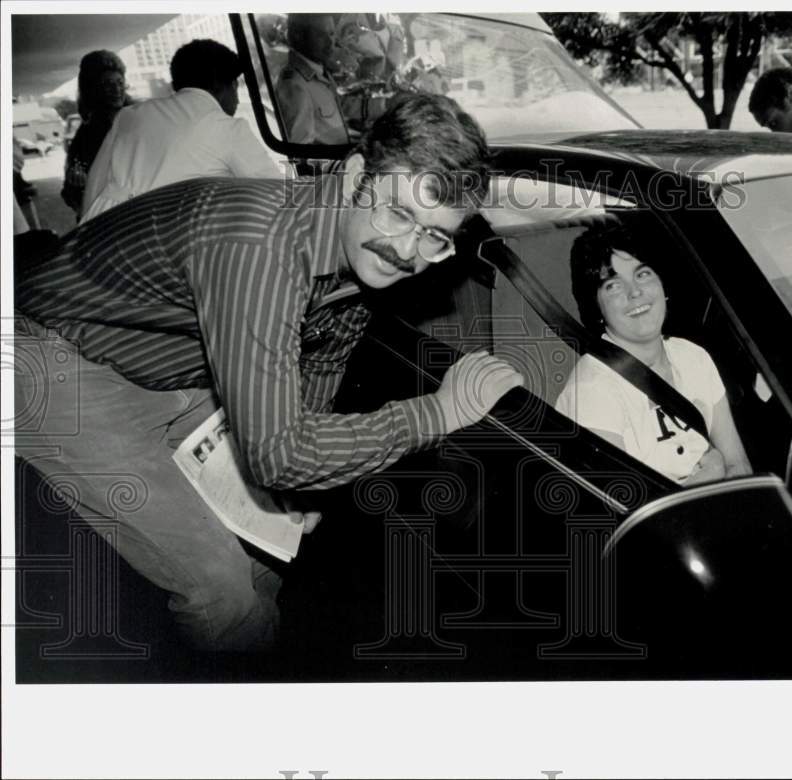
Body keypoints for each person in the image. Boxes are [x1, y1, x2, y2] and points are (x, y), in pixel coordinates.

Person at [15, 93, 521, 652]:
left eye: (436, 236)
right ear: (355, 173)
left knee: (268, 543)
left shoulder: (356, 244)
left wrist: (297, 487)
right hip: (54, 362)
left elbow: (325, 359)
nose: (407, 251)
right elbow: (277, 452)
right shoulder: (262, 246)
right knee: (220, 590)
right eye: (399, 213)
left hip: (168, 360)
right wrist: (436, 413)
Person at [555, 225, 751, 486]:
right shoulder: (591, 390)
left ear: (663, 284)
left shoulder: (693, 357)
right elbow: (626, 510)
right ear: (595, 306)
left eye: (643, 274)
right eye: (613, 285)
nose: (635, 292)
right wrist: (711, 474)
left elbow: (738, 464)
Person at [80, 39, 281, 222]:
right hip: (160, 242)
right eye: (236, 87)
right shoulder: (227, 128)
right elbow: (278, 194)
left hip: (102, 236)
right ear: (222, 86)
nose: (237, 99)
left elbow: (95, 184)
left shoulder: (130, 115)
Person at [61, 50, 130, 220]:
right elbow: (70, 195)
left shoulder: (140, 117)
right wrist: (77, 182)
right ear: (93, 90)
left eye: (120, 82)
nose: (117, 89)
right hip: (110, 218)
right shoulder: (86, 135)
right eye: (107, 84)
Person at [275, 13, 351, 145]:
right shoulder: (295, 85)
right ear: (299, 36)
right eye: (321, 35)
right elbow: (301, 153)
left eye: (332, 34)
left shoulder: (318, 71)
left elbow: (341, 105)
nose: (330, 42)